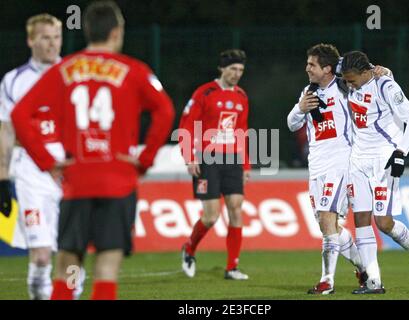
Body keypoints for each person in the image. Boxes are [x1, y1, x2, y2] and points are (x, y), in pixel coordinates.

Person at [11, 0, 175, 300]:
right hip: (119, 179)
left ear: (87, 30)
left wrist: (47, 162)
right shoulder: (133, 70)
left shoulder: (64, 69)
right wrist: (145, 159)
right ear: (116, 32)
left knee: (68, 265)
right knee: (106, 268)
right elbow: (164, 110)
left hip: (76, 179)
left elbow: (20, 115)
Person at [0, 13, 85, 300]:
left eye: (57, 37)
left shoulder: (74, 75)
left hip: (72, 173)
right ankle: (40, 291)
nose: (52, 44)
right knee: (40, 256)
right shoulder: (14, 81)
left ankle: (71, 294)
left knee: (72, 250)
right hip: (31, 173)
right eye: (45, 38)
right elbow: (7, 132)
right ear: (31, 40)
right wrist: (1, 178)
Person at [340, 51, 409, 294]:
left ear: (366, 72)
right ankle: (373, 282)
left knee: (383, 222)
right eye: (346, 80)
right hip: (358, 159)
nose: (349, 85)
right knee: (360, 218)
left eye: (352, 80)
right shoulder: (350, 78)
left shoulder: (386, 86)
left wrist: (401, 152)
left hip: (384, 159)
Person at [287, 43, 371, 294]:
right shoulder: (308, 92)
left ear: (327, 68)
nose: (307, 68)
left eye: (312, 64)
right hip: (317, 166)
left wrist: (382, 72)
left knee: (327, 218)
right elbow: (292, 125)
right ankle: (364, 269)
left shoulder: (345, 87)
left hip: (341, 163)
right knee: (329, 227)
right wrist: (300, 108)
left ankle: (327, 281)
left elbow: (364, 74)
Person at [178, 49, 251, 280]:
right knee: (211, 217)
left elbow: (242, 131)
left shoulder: (241, 96)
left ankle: (232, 267)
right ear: (221, 69)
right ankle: (189, 248)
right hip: (207, 158)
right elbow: (187, 126)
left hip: (232, 159)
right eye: (232, 69)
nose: (237, 74)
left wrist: (246, 165)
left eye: (240, 70)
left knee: (236, 209)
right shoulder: (205, 92)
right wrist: (189, 156)